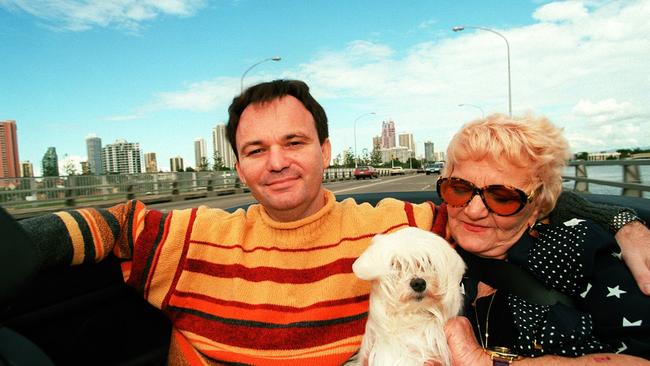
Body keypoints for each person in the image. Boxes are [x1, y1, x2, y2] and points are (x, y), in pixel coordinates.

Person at [1, 80, 648, 365]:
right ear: (239, 165)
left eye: (295, 143)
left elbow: (507, 193)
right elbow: (114, 224)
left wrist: (620, 216)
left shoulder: (403, 224)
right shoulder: (192, 236)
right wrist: (28, 242)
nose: (277, 163)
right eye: (256, 150)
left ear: (326, 152)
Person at [438, 114, 650, 365]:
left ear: (537, 207)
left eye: (503, 197)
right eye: (459, 188)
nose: (473, 211)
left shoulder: (576, 247)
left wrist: (486, 363)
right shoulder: (425, 237)